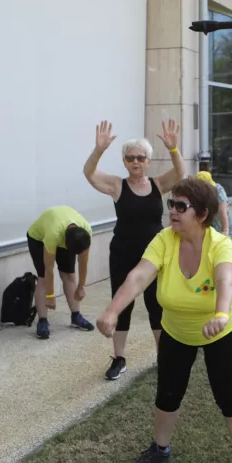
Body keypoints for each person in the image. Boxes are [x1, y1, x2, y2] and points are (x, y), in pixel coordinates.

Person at [94, 178, 232, 463]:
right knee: (167, 394)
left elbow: (225, 281)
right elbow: (139, 275)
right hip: (176, 330)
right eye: (172, 205)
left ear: (203, 214)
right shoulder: (164, 240)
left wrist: (221, 314)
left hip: (220, 331)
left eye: (182, 206)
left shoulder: (219, 243)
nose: (173, 212)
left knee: (230, 396)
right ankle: (160, 448)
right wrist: (113, 310)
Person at [83, 119, 185, 381]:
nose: (136, 162)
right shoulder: (118, 186)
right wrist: (99, 150)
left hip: (154, 256)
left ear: (148, 161)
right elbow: (89, 173)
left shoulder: (159, 184)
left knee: (156, 305)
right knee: (123, 305)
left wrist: (174, 149)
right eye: (130, 158)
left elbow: (180, 173)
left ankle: (164, 357)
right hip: (123, 254)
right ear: (125, 161)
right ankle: (119, 358)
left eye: (141, 157)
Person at [25, 206, 93, 339]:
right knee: (43, 277)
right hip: (38, 238)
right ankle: (43, 321)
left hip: (66, 234)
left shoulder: (86, 232)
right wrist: (50, 295)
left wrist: (81, 287)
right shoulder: (53, 234)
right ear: (65, 244)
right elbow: (49, 268)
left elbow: (83, 262)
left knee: (69, 275)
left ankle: (76, 316)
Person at [197, 170, 232, 238]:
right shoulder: (198, 193)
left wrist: (225, 230)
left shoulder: (218, 190)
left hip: (220, 224)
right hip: (207, 227)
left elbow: (222, 212)